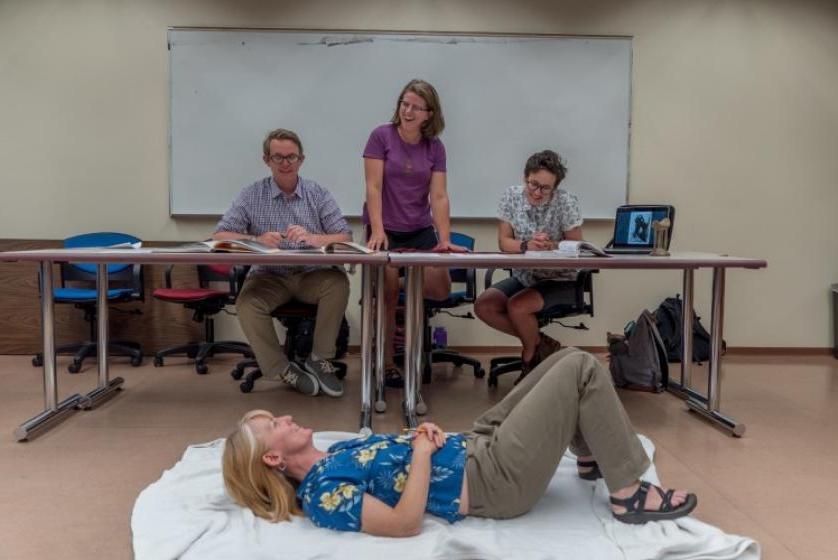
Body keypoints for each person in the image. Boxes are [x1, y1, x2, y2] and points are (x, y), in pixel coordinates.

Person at [222, 348, 697, 536]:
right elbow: (404, 522)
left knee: (564, 359)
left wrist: (421, 438)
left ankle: (591, 454)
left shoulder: (337, 453)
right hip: (493, 481)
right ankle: (628, 492)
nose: (286, 416)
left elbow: (397, 462)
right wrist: (425, 453)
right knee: (583, 370)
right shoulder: (322, 492)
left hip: (476, 444)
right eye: (275, 424)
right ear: (273, 456)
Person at [214, 128, 352, 398]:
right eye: (279, 157)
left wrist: (314, 238)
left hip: (312, 275)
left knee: (338, 284)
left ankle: (320, 359)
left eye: (292, 157)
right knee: (247, 303)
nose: (286, 163)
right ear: (267, 160)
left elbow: (345, 236)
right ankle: (280, 368)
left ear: (302, 159)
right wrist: (256, 239)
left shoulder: (318, 193)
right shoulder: (251, 195)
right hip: (269, 276)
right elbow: (220, 235)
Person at [362, 78, 465, 388]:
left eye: (415, 107)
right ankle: (389, 362)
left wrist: (444, 239)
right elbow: (373, 186)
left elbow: (439, 196)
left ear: (429, 114)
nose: (407, 111)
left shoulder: (435, 147)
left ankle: (408, 274)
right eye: (404, 104)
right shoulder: (381, 136)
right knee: (389, 292)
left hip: (419, 227)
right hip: (386, 227)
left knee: (439, 286)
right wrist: (378, 230)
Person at [474, 150, 584, 383]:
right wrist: (526, 245)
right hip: (526, 276)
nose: (537, 192)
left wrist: (552, 245)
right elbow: (504, 242)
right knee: (484, 306)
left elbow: (576, 246)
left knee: (517, 306)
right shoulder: (511, 197)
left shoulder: (566, 201)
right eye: (533, 184)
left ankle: (530, 359)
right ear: (525, 177)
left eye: (545, 188)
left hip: (560, 279)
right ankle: (540, 342)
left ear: (555, 188)